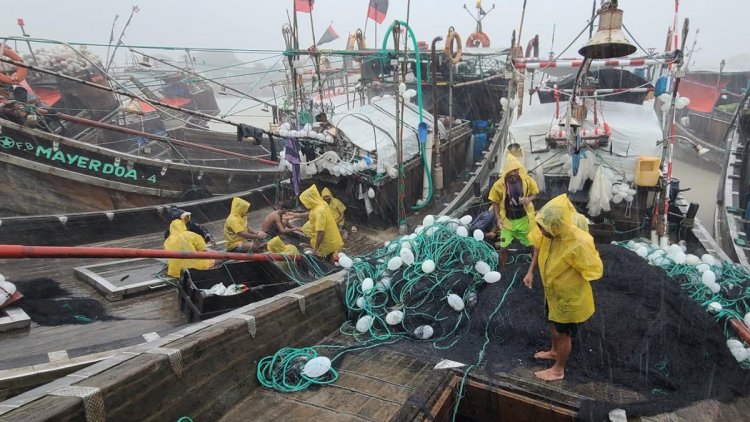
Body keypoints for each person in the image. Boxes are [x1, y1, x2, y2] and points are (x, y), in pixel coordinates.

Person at [523, 194, 603, 381]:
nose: (541, 232)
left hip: (569, 298)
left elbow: (594, 271)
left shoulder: (578, 242)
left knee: (563, 333)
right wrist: (530, 271)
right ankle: (553, 352)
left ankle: (558, 370)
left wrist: (570, 275)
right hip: (552, 292)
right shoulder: (550, 233)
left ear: (557, 225)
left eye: (544, 228)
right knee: (552, 323)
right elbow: (537, 244)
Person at [488, 153, 539, 266]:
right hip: (507, 223)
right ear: (506, 171)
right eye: (510, 171)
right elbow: (495, 202)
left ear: (518, 170)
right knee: (503, 248)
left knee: (533, 244)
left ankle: (535, 268)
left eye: (515, 171)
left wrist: (529, 199)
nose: (513, 174)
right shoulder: (498, 185)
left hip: (524, 220)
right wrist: (498, 218)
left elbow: (535, 192)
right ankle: (500, 271)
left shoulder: (526, 180)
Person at [299, 184, 344, 259]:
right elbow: (312, 212)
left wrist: (315, 249)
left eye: (305, 201)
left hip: (327, 243)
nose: (304, 203)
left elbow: (320, 233)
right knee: (334, 257)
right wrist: (296, 215)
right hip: (333, 239)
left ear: (310, 199)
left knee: (329, 260)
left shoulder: (319, 211)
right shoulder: (322, 204)